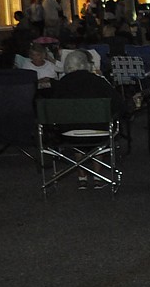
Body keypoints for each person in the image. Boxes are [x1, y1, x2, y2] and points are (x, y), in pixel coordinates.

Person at [52, 49, 124, 189]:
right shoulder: (99, 82)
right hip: (99, 133)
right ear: (86, 65)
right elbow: (119, 105)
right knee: (96, 128)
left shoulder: (61, 84)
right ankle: (97, 176)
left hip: (68, 134)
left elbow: (53, 109)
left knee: (76, 128)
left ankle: (82, 177)